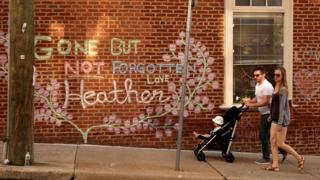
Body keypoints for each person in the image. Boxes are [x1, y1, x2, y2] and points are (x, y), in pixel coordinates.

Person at [264, 66, 304, 172]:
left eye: (278, 75)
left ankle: (299, 158)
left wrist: (280, 124)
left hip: (281, 120)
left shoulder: (283, 89)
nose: (276, 77)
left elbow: (282, 108)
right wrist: (271, 115)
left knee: (280, 143)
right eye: (274, 75)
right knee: (272, 142)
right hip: (275, 118)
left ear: (282, 76)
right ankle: (275, 165)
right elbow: (274, 105)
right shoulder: (276, 86)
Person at [244, 66, 286, 164]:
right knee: (268, 136)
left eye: (257, 75)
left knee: (263, 135)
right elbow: (258, 97)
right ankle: (283, 150)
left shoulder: (267, 86)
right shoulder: (258, 85)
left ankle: (266, 158)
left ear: (263, 75)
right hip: (263, 113)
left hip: (268, 114)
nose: (255, 77)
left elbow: (265, 102)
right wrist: (249, 101)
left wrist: (251, 105)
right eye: (254, 75)